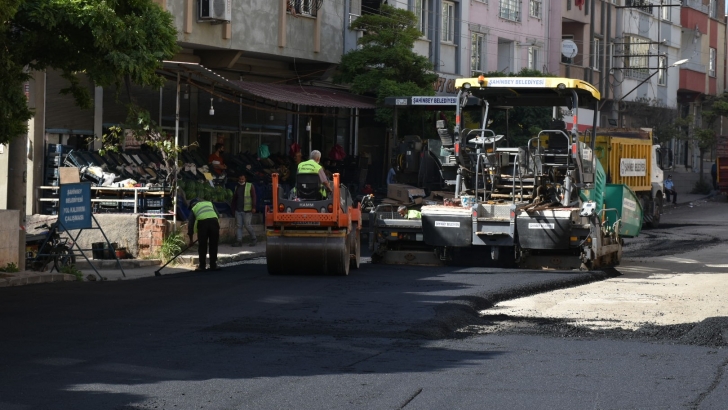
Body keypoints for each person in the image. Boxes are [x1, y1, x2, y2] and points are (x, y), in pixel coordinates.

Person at [187, 198, 220, 271]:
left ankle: (202, 266)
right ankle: (213, 265)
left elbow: (190, 225)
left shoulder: (194, 208)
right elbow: (218, 215)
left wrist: (191, 240)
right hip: (214, 223)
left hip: (203, 224)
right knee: (213, 245)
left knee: (202, 245)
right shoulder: (209, 203)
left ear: (192, 205)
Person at [231, 174, 257, 247]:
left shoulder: (250, 185)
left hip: (247, 210)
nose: (241, 180)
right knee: (239, 226)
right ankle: (239, 241)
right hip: (238, 210)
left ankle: (254, 239)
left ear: (245, 179)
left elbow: (254, 196)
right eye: (240, 179)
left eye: (242, 179)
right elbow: (234, 199)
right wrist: (233, 209)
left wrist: (254, 207)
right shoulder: (237, 187)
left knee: (247, 225)